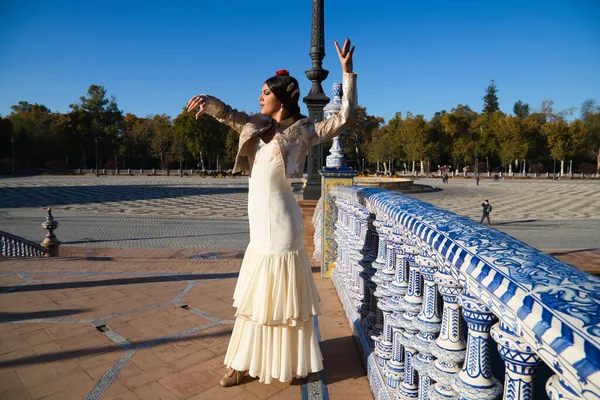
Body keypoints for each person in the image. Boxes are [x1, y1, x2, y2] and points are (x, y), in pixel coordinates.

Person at [186, 38, 357, 387]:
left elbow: (344, 118)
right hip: (258, 225)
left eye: (266, 92)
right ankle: (244, 361)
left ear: (281, 98)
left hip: (282, 223)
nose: (260, 97)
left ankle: (282, 362)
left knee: (277, 295)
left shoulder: (304, 131)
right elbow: (228, 113)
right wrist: (209, 100)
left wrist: (347, 72)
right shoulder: (255, 125)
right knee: (255, 296)